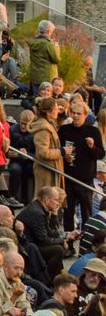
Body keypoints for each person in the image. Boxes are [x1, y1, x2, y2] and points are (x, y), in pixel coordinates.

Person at [61, 99, 105, 231]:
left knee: (86, 213)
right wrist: (63, 154)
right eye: (73, 113)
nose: (75, 116)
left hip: (86, 179)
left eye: (79, 113)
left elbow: (100, 154)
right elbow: (58, 149)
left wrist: (92, 146)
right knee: (68, 212)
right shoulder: (64, 130)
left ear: (85, 115)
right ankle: (68, 239)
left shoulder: (93, 131)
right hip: (68, 177)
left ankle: (85, 238)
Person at [18, 185, 77, 279]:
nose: (58, 204)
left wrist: (66, 236)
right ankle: (47, 279)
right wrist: (62, 240)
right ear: (47, 200)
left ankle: (58, 276)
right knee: (58, 250)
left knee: (58, 246)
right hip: (28, 247)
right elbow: (43, 240)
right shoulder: (37, 212)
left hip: (33, 243)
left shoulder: (40, 209)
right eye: (56, 200)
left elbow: (49, 232)